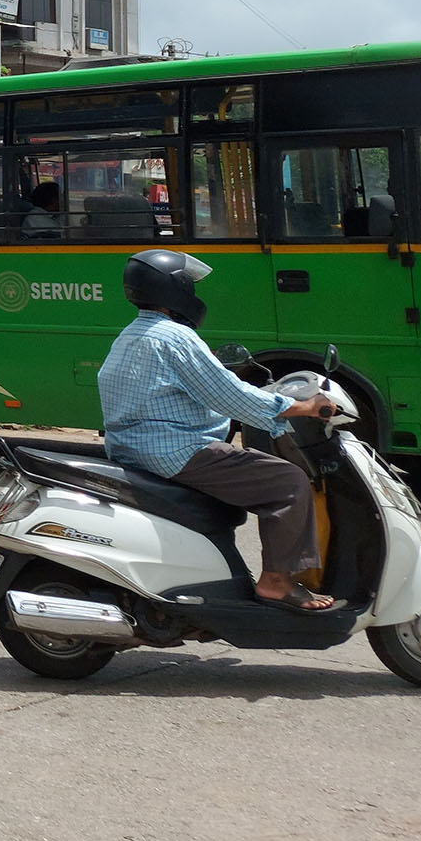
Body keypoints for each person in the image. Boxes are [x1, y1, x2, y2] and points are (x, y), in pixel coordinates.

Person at [96, 249, 341, 613]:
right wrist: (305, 407)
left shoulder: (133, 334)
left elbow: (207, 388)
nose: (194, 294)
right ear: (173, 289)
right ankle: (276, 581)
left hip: (136, 448)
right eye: (189, 286)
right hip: (176, 451)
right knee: (288, 482)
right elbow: (233, 398)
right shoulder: (175, 338)